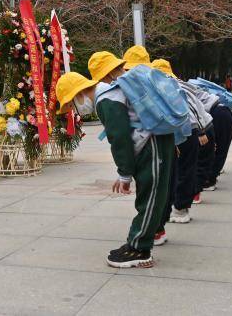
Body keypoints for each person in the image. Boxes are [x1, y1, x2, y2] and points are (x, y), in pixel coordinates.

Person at [88, 51, 175, 269]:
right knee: (149, 194)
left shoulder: (108, 97)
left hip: (152, 145)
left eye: (72, 103)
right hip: (155, 142)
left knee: (151, 197)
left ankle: (140, 249)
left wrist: (124, 173)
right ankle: (137, 241)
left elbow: (119, 138)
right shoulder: (121, 89)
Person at [150, 59, 213, 223]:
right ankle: (179, 207)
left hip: (191, 130)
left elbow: (190, 108)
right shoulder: (170, 84)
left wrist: (200, 131)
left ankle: (181, 209)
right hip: (186, 131)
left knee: (184, 171)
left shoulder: (171, 85)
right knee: (182, 171)